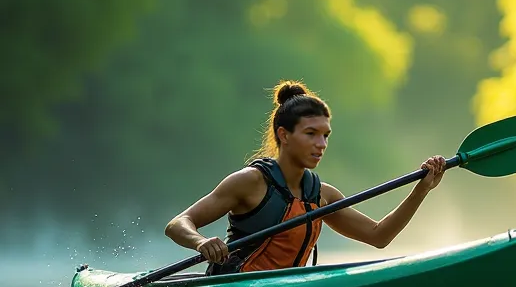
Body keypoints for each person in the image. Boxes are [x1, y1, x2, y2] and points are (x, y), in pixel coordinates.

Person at [165, 81, 446, 273]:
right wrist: (201, 242)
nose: (321, 144)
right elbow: (178, 224)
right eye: (311, 134)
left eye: (325, 135)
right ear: (284, 135)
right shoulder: (250, 182)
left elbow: (379, 236)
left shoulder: (322, 195)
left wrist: (421, 191)